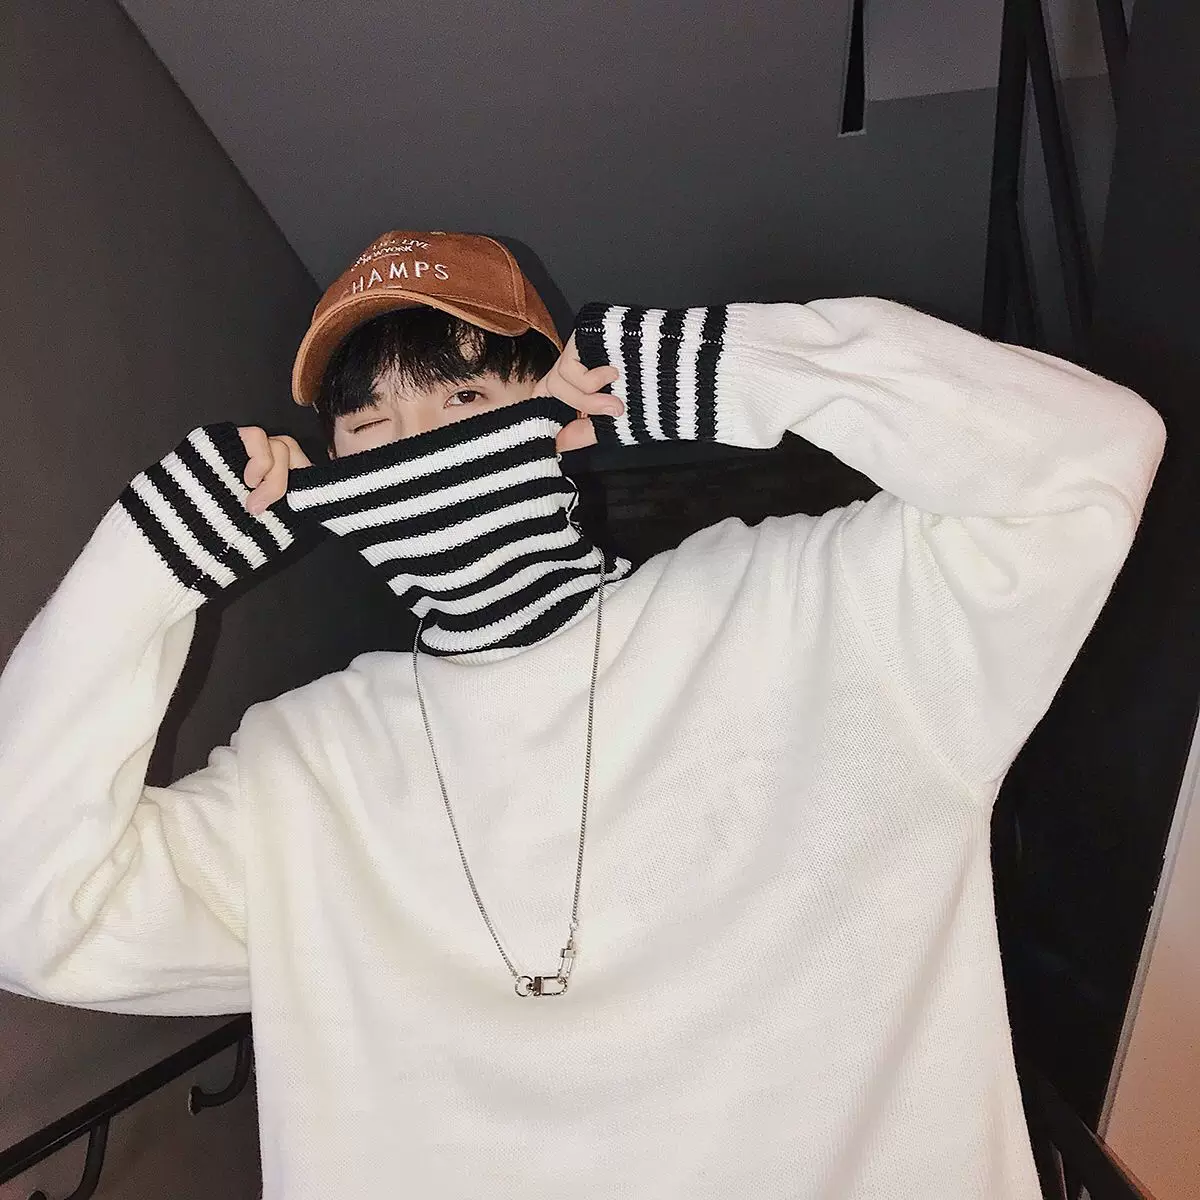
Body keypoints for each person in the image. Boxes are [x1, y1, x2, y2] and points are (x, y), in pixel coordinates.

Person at [0, 229, 1165, 1199]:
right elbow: (35, 915)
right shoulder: (301, 769)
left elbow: (1093, 460)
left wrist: (727, 367)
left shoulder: (820, 615)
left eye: (464, 397)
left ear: (561, 412)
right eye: (369, 428)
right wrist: (144, 568)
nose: (418, 448)